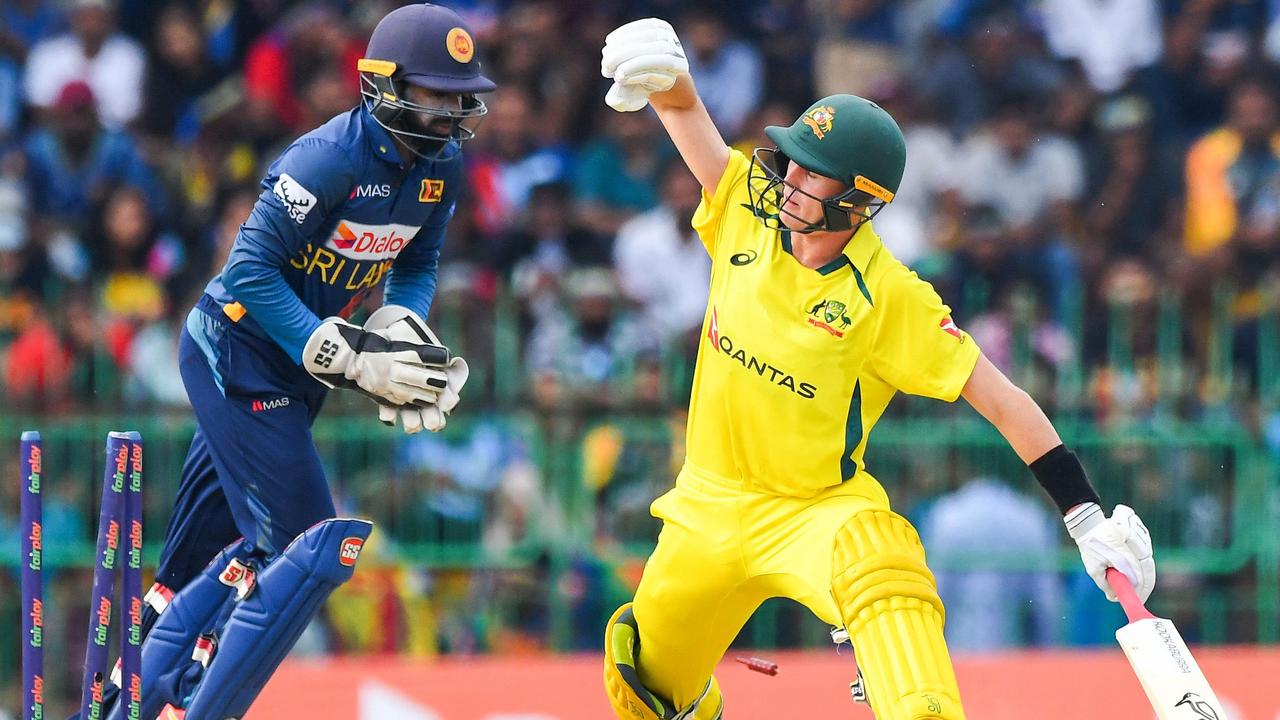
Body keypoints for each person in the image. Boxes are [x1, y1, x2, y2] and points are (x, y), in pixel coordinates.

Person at [598, 18, 1156, 720]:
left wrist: (1084, 517)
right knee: (640, 686)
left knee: (883, 560)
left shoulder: (889, 297)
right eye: (791, 160)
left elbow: (1005, 401)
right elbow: (682, 110)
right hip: (704, 505)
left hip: (814, 510)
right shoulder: (745, 212)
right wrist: (668, 76)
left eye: (810, 170)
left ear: (859, 198)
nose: (788, 178)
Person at [88, 5, 493, 719]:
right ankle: (192, 701)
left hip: (301, 373)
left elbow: (418, 260)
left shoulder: (442, 169)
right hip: (234, 352)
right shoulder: (326, 159)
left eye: (460, 95)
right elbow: (246, 272)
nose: (452, 111)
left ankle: (117, 702)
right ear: (383, 85)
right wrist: (337, 350)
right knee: (307, 540)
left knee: (196, 558)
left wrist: (400, 322)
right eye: (436, 92)